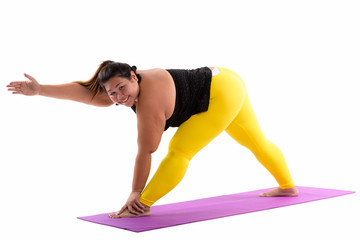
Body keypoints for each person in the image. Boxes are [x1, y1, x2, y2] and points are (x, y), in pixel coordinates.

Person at [6, 61, 299, 218]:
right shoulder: (126, 88)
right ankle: (288, 187)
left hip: (220, 92)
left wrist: (138, 195)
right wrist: (40, 89)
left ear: (135, 76)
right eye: (113, 94)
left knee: (180, 150)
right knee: (256, 141)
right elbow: (86, 93)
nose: (120, 98)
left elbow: (146, 151)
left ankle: (142, 207)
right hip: (227, 80)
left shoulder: (149, 101)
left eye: (122, 88)